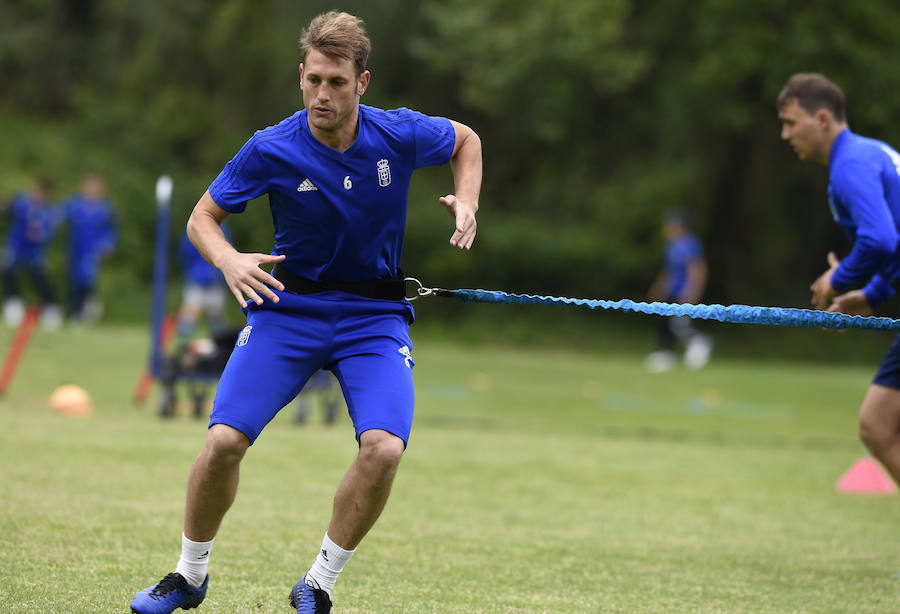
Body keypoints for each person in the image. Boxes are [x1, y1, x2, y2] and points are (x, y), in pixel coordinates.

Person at [130, 11, 481, 614]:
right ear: (301, 76)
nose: (323, 93)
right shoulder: (271, 147)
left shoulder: (397, 135)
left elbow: (466, 140)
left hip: (375, 317)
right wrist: (229, 261)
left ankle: (317, 583)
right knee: (221, 444)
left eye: (337, 82)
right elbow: (201, 217)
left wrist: (467, 203)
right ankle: (188, 576)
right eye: (314, 79)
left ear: (361, 83)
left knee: (385, 449)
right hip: (286, 310)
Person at [777, 72, 900, 487]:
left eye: (791, 123)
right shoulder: (867, 154)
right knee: (878, 427)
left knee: (878, 427)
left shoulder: (850, 164)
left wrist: (838, 277)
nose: (784, 134)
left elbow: (881, 239)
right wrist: (872, 293)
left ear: (823, 118)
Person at [644, 207, 712, 372]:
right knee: (663, 323)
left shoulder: (690, 243)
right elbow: (669, 270)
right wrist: (658, 288)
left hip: (683, 292)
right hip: (671, 291)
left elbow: (697, 268)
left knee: (679, 324)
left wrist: (692, 291)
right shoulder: (671, 245)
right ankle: (665, 354)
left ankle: (699, 344)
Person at [1, 176, 63, 330]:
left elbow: (49, 233)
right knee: (8, 272)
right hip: (16, 247)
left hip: (35, 252)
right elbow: (7, 209)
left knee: (40, 279)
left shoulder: (49, 211)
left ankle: (51, 309)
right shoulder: (22, 203)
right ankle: (13, 305)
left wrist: (39, 234)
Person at [63, 172, 117, 323]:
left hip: (92, 252)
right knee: (73, 282)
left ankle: (87, 309)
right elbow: (59, 216)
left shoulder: (105, 209)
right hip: (75, 251)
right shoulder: (74, 204)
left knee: (87, 281)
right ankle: (75, 314)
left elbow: (110, 231)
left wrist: (107, 245)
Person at [175, 223, 231, 343]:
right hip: (199, 279)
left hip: (213, 279)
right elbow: (185, 254)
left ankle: (219, 346)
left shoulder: (222, 229)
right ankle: (184, 345)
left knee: (216, 316)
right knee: (190, 313)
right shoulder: (193, 228)